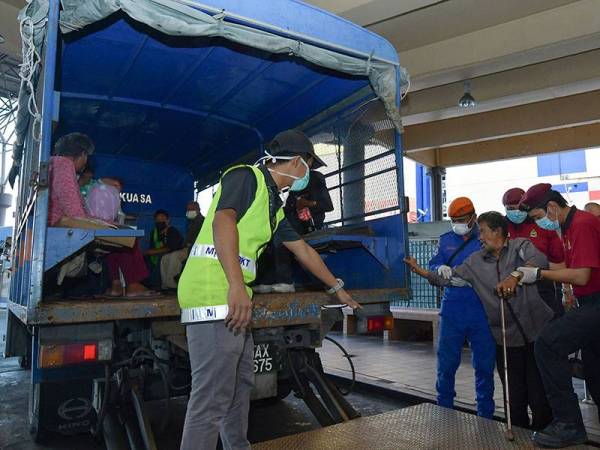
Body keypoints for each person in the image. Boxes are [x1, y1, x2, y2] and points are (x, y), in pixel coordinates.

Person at [177, 129, 360, 450]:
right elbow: (223, 221)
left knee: (238, 385)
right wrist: (236, 285)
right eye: (309, 167)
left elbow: (302, 250)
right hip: (213, 293)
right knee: (211, 398)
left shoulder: (273, 206)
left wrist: (338, 289)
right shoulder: (245, 177)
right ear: (298, 163)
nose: (308, 175)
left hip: (233, 297)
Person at [405, 211, 555, 431]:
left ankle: (544, 430)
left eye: (483, 232)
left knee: (537, 389)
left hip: (535, 332)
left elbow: (539, 260)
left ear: (497, 231)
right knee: (513, 392)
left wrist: (516, 275)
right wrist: (421, 271)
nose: (480, 237)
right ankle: (519, 432)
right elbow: (447, 277)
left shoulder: (520, 247)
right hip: (506, 335)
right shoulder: (475, 261)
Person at [512, 183, 600, 447]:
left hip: (597, 303)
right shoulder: (569, 227)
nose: (541, 223)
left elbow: (581, 275)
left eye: (539, 217)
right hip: (589, 304)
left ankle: (569, 424)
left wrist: (539, 274)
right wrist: (528, 264)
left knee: (547, 344)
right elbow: (564, 266)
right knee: (596, 375)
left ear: (551, 207)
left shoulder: (582, 224)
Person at [48, 133, 155, 298]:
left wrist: (102, 222)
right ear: (82, 154)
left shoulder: (53, 164)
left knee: (114, 240)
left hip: (62, 222)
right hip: (66, 224)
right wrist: (104, 223)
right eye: (86, 157)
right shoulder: (64, 166)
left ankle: (116, 286)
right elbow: (74, 210)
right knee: (128, 236)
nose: (86, 161)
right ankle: (133, 285)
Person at [423, 197, 496, 419]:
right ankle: (444, 409)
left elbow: (495, 266)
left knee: (484, 365)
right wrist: (440, 267)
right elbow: (433, 264)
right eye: (454, 220)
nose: (458, 224)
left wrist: (475, 279)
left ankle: (486, 415)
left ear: (474, 217)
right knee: (447, 362)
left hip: (481, 308)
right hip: (453, 307)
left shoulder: (484, 239)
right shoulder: (446, 240)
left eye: (462, 219)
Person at [253, 132, 332, 294]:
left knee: (281, 240)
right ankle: (268, 280)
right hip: (288, 222)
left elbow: (327, 205)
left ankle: (285, 281)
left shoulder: (315, 179)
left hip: (307, 224)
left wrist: (307, 204)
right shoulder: (280, 186)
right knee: (269, 240)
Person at [502, 187, 565, 316]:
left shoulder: (542, 223)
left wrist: (537, 265)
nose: (516, 212)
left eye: (519, 208)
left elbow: (561, 263)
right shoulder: (500, 227)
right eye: (511, 209)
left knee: (549, 327)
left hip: (542, 286)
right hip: (510, 288)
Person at [160, 202, 204, 290]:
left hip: (195, 249)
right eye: (188, 210)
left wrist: (184, 245)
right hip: (187, 248)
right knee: (165, 258)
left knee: (175, 256)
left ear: (198, 210)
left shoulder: (201, 221)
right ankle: (165, 285)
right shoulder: (192, 222)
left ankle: (173, 286)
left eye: (191, 209)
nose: (189, 211)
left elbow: (192, 239)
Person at [144, 209, 184, 289]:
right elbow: (151, 247)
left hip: (172, 252)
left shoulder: (172, 231)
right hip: (156, 255)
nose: (160, 221)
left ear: (168, 220)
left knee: (162, 257)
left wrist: (154, 252)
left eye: (162, 219)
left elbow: (171, 248)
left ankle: (157, 285)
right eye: (158, 220)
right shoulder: (154, 232)